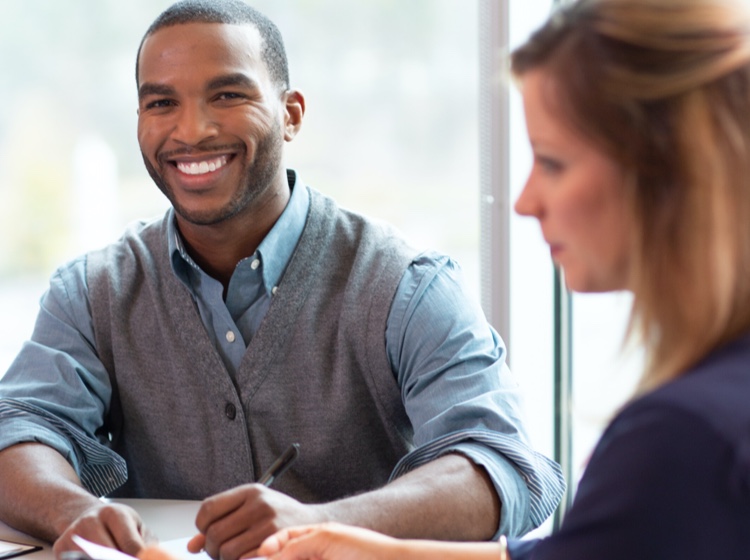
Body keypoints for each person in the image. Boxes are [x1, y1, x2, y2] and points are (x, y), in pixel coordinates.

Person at [0, 1, 564, 559]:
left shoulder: (406, 285)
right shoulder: (92, 291)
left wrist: (321, 524)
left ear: (291, 113)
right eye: (162, 102)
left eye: (227, 95)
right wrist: (73, 511)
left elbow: (501, 464)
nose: (190, 130)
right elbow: (18, 428)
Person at [249, 0, 750, 558]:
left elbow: (515, 474)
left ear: (677, 168)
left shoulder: (684, 439)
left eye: (554, 162)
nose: (524, 201)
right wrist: (371, 547)